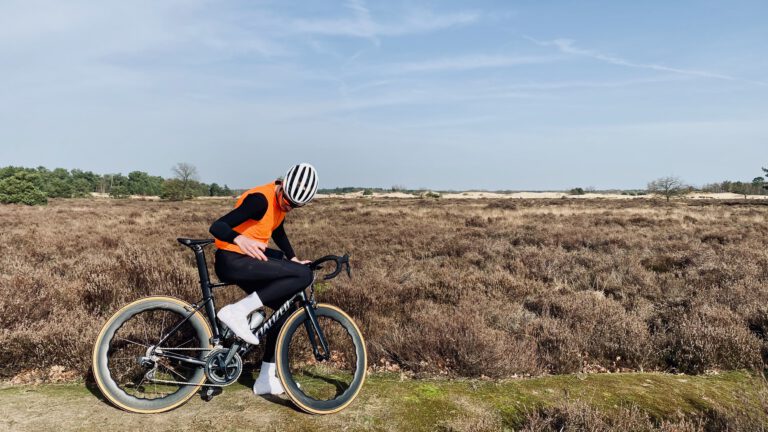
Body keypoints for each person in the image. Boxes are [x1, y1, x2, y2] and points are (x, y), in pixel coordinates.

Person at [209, 162, 318, 396]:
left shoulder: (279, 205)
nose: (288, 207)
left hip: (247, 261)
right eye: (287, 201)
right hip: (232, 260)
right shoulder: (260, 199)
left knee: (285, 307)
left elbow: (277, 230)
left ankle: (266, 379)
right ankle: (236, 312)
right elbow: (217, 226)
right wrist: (239, 239)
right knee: (305, 275)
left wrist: (294, 258)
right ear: (282, 185)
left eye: (294, 206)